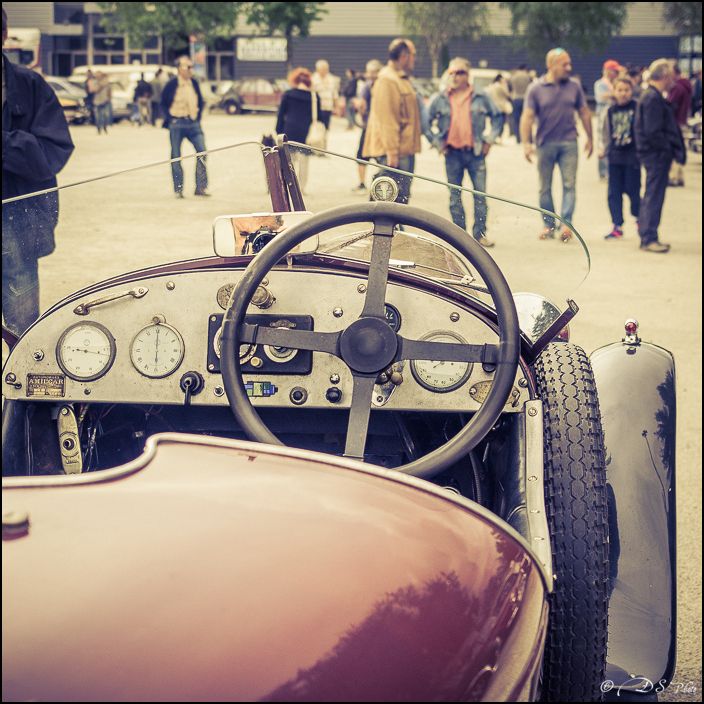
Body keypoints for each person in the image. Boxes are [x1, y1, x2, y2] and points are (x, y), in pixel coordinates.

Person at [2, 7, 75, 338]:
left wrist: (9, 147)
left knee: (22, 332)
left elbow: (53, 152)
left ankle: (16, 389)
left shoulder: (30, 85)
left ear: (3, 36)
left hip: (16, 221)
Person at [424, 58, 503, 248]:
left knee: (480, 195)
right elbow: (425, 123)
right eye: (451, 72)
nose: (454, 76)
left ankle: (479, 235)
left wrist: (489, 140)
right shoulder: (440, 98)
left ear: (467, 75)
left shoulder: (481, 96)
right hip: (452, 154)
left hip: (475, 153)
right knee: (454, 196)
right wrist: (437, 142)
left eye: (458, 72)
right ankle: (460, 238)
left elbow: (497, 118)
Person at [520, 48, 593, 242]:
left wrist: (590, 139)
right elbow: (527, 117)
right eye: (564, 64)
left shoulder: (575, 86)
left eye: (569, 63)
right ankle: (549, 225)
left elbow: (585, 112)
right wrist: (526, 144)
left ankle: (566, 224)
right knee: (545, 187)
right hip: (545, 144)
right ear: (550, 65)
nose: (569, 68)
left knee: (569, 185)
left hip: (569, 143)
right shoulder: (535, 88)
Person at [634, 59, 685, 253]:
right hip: (656, 155)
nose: (673, 81)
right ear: (664, 77)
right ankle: (649, 237)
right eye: (671, 77)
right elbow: (653, 131)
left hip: (653, 154)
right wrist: (667, 151)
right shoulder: (652, 97)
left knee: (651, 194)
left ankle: (647, 235)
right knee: (654, 195)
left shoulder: (650, 95)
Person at [362, 39, 422, 204]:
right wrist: (392, 152)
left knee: (400, 199)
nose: (415, 59)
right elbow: (387, 119)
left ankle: (396, 229)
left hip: (403, 150)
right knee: (393, 200)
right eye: (413, 55)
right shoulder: (388, 79)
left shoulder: (399, 78)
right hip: (396, 153)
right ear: (404, 56)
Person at [161, 56, 208, 199]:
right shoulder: (171, 84)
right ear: (179, 69)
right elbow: (162, 103)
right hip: (177, 123)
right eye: (187, 67)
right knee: (176, 156)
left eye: (191, 67)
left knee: (202, 152)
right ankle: (178, 189)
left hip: (193, 122)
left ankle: (200, 187)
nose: (190, 70)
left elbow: (200, 100)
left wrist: (198, 116)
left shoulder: (193, 83)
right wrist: (171, 120)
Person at [598, 77, 640, 240]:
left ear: (631, 91)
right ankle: (617, 225)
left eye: (626, 90)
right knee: (613, 193)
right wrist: (604, 149)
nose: (623, 93)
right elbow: (605, 132)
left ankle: (639, 220)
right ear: (614, 92)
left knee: (633, 191)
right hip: (614, 158)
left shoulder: (637, 107)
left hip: (632, 157)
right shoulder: (610, 110)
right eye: (620, 90)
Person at [275, 68, 321, 194]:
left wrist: (278, 130)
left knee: (289, 160)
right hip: (306, 134)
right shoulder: (314, 96)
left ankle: (289, 186)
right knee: (304, 162)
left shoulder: (288, 94)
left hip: (289, 131)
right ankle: (301, 188)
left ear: (294, 80)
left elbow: (280, 115)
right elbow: (319, 116)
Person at [352, 59, 383, 193]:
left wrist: (363, 117)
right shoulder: (384, 85)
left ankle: (362, 183)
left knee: (362, 155)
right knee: (381, 155)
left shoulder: (368, 85)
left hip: (369, 125)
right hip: (382, 125)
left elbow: (361, 105)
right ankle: (380, 179)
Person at [594, 60, 623, 179]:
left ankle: (611, 170)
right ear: (608, 71)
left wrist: (612, 95)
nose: (616, 73)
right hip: (603, 116)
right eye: (615, 71)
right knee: (602, 142)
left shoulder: (616, 84)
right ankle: (603, 172)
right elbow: (601, 99)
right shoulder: (600, 84)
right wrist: (615, 95)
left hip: (615, 116)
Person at [666, 62, 693, 187]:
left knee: (674, 149)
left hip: (675, 122)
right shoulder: (685, 85)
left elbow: (670, 104)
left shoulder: (677, 87)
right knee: (680, 148)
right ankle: (679, 176)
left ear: (674, 72)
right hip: (682, 121)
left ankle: (674, 177)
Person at [311, 59, 338, 139]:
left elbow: (335, 94)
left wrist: (336, 107)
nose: (325, 70)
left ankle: (323, 142)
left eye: (326, 69)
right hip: (318, 108)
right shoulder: (313, 79)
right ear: (318, 69)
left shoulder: (331, 79)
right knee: (318, 127)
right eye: (323, 69)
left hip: (328, 107)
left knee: (326, 128)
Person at [486, 74, 512, 144]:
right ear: (500, 79)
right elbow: (507, 94)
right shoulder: (501, 86)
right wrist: (505, 85)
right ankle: (499, 138)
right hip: (501, 107)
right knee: (501, 123)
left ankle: (493, 137)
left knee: (494, 123)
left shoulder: (491, 86)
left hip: (493, 106)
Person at [510, 64, 531, 143]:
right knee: (528, 119)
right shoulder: (528, 77)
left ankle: (518, 139)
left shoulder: (513, 77)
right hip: (526, 99)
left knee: (516, 120)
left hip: (515, 99)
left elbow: (510, 88)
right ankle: (529, 139)